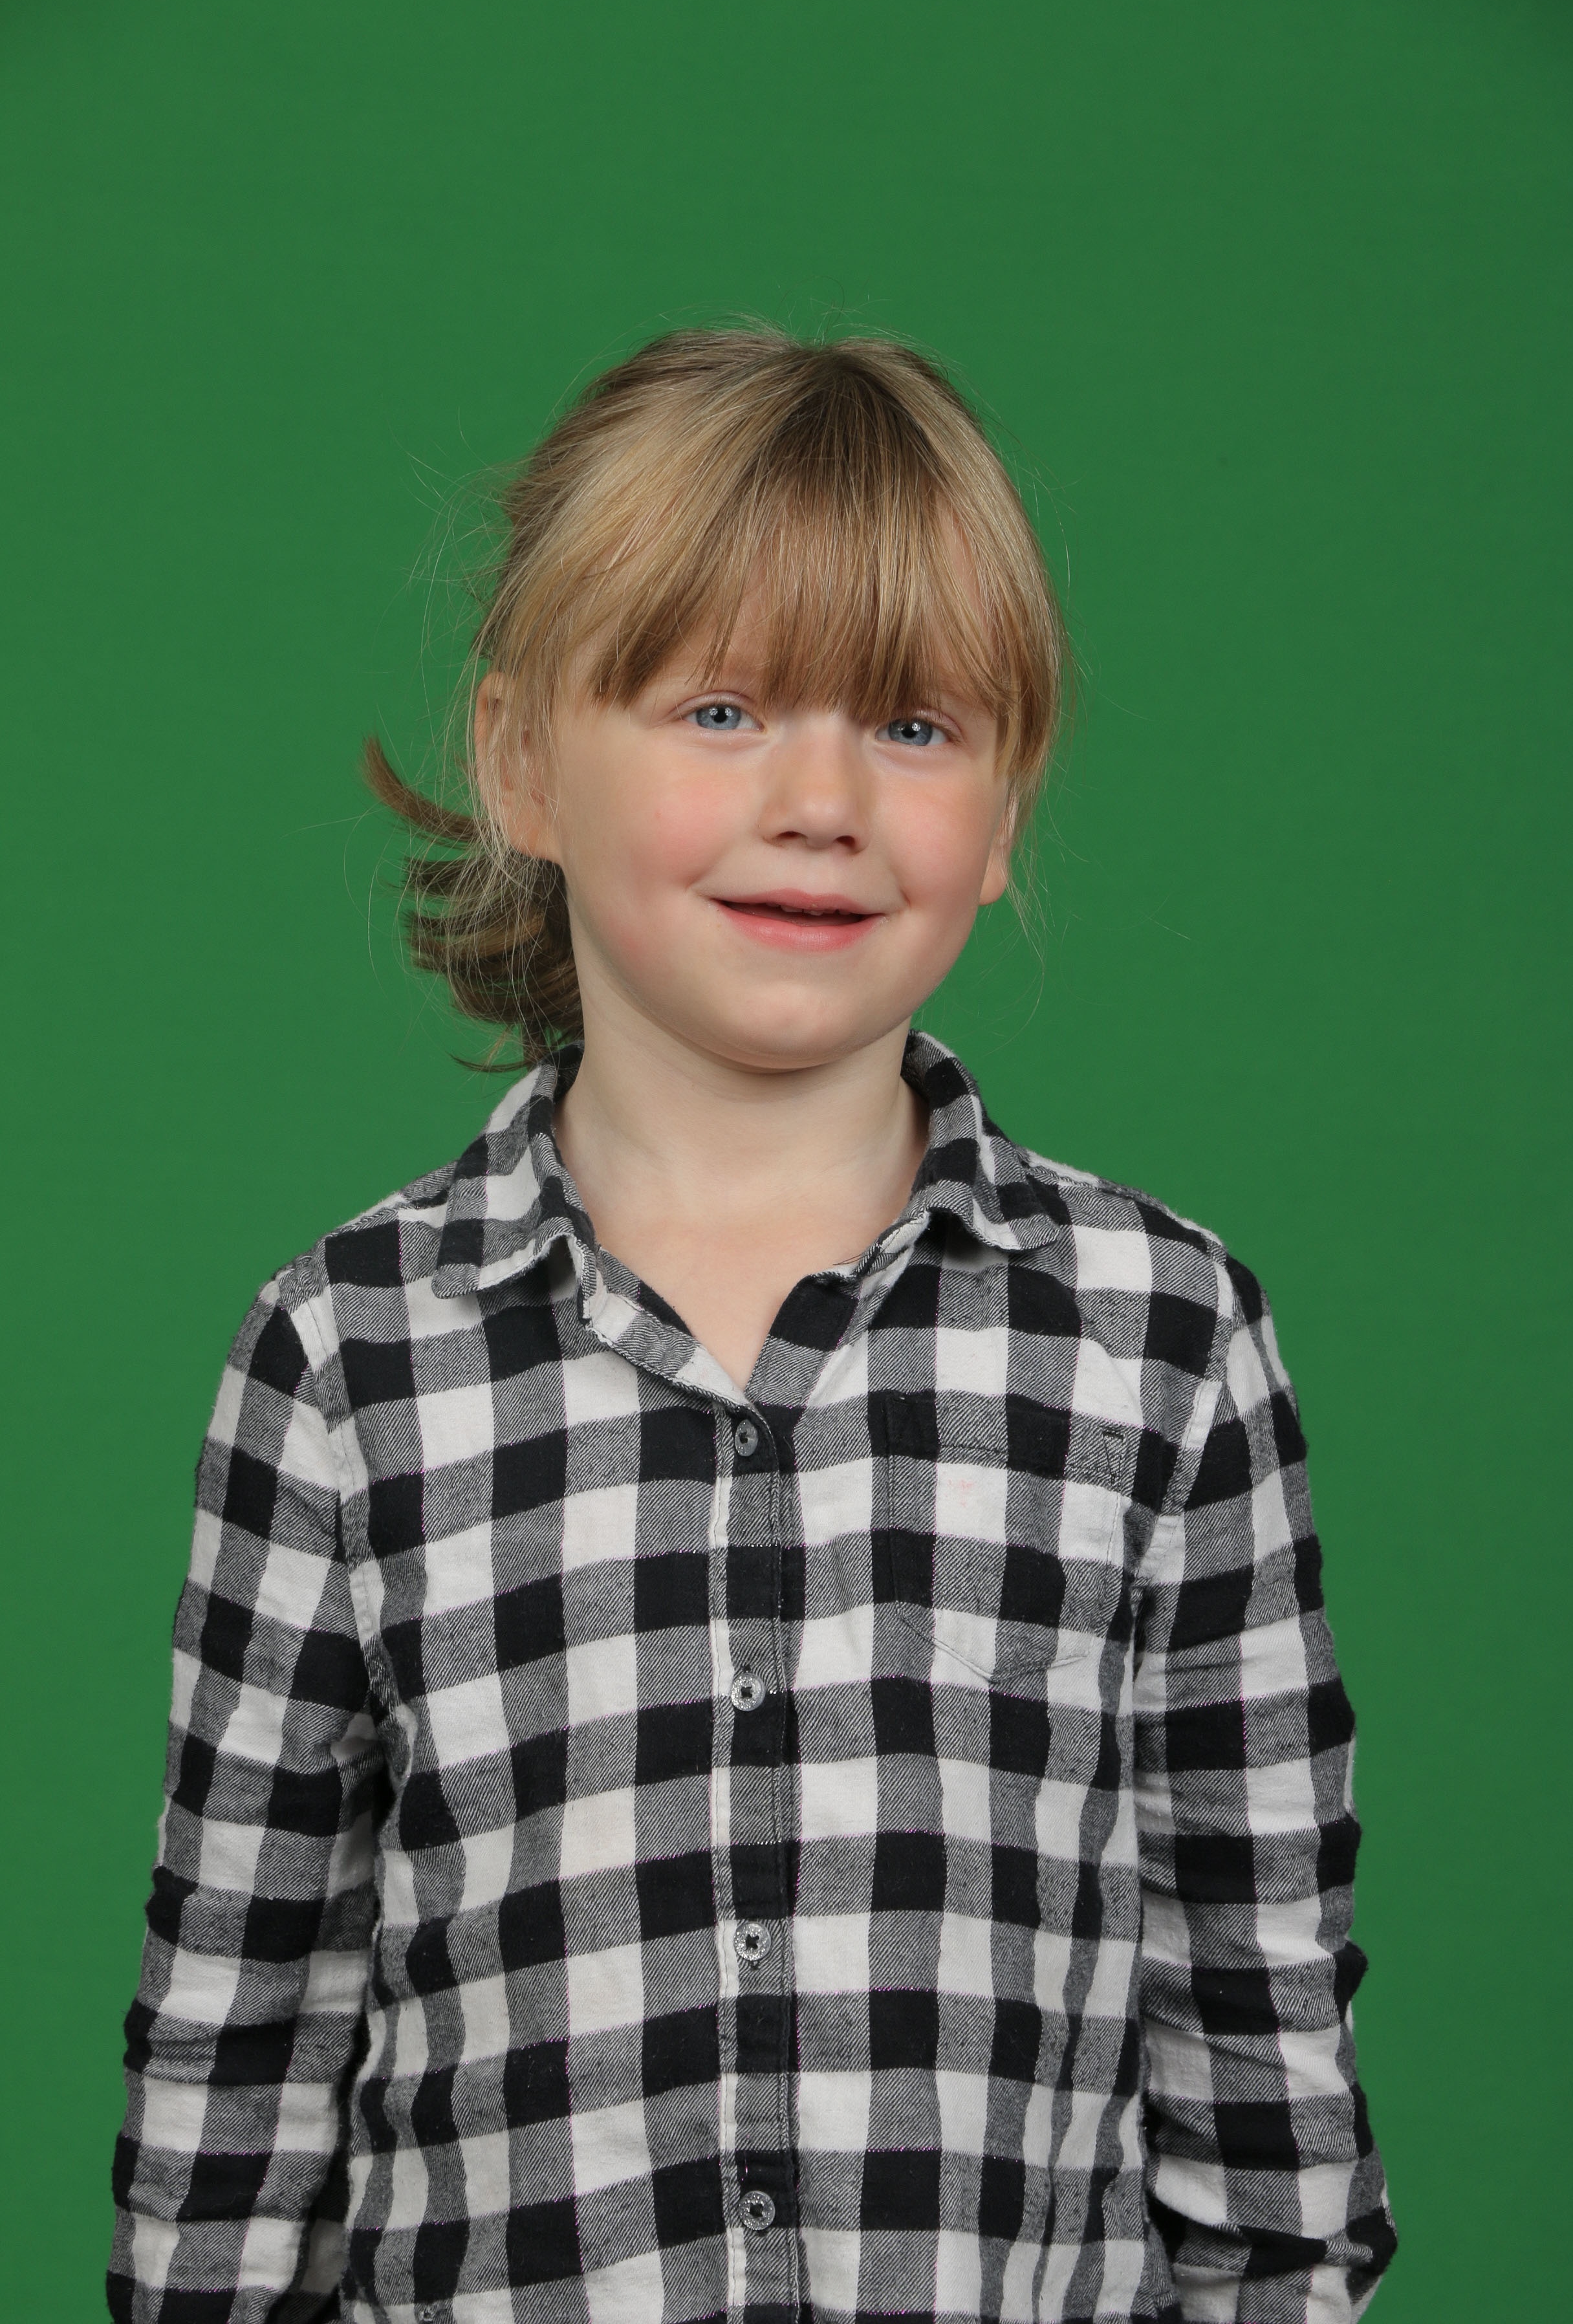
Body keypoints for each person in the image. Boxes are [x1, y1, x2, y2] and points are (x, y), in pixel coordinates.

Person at [109, 329, 1395, 2324]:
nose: (820, 801)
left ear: (1008, 804)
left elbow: (1264, 2071)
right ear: (522, 761)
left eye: (915, 724)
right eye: (719, 707)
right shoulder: (348, 1359)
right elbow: (236, 2063)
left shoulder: (1162, 1343)